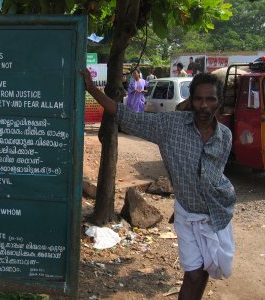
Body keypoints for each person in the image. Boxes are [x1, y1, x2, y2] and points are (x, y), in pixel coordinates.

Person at [80, 69, 236, 300]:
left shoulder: (225, 136)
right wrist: (92, 89)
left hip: (218, 213)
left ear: (219, 101)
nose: (204, 105)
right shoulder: (170, 126)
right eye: (199, 99)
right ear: (191, 101)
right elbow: (126, 116)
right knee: (193, 273)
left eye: (210, 99)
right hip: (188, 215)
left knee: (204, 272)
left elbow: (216, 175)